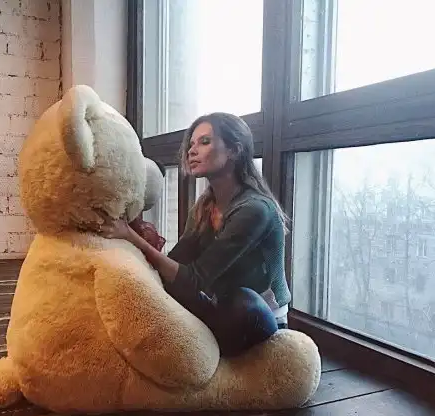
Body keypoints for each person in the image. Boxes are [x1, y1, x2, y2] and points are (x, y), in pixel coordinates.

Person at [100, 112, 292, 357]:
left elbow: (194, 279)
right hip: (219, 303)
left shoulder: (254, 209)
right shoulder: (205, 206)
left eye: (205, 142)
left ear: (234, 150)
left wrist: (130, 236)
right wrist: (136, 236)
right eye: (191, 144)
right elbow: (178, 263)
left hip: (259, 316)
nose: (192, 151)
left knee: (240, 302)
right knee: (160, 284)